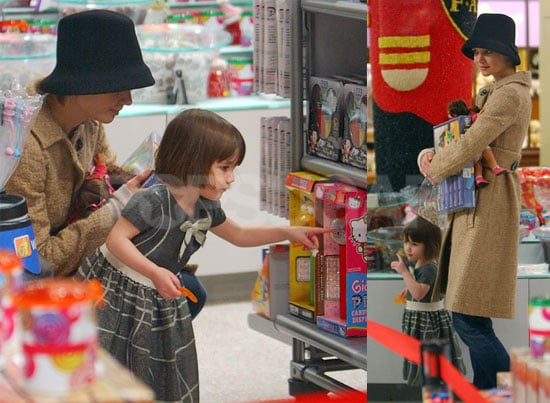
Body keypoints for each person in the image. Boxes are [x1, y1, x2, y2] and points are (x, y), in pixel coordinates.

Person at [77, 108, 330, 402]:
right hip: (118, 292)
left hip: (157, 294)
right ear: (193, 161)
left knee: (158, 366)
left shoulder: (205, 206)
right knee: (113, 363)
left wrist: (288, 233)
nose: (232, 178)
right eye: (224, 168)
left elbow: (239, 235)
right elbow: (117, 240)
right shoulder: (154, 198)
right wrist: (155, 272)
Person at [417, 13, 532, 389]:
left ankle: (506, 385)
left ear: (507, 54)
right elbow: (463, 138)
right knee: (472, 310)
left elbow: (470, 142)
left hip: (491, 199)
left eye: (489, 52)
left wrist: (435, 169)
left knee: (467, 311)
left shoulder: (510, 94)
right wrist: (431, 155)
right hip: (479, 198)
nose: (480, 59)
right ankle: (487, 389)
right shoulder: (499, 91)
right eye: (477, 52)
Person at [5, 10, 155, 277]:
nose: (128, 99)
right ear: (81, 83)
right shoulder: (25, 145)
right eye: (118, 86)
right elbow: (40, 261)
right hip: (38, 282)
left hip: (79, 254)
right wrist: (113, 211)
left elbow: (108, 172)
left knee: (183, 284)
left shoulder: (89, 121)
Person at [390, 217, 465, 387]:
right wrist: (408, 288)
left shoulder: (429, 268)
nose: (408, 248)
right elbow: (420, 290)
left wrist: (404, 273)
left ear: (429, 246)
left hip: (426, 320)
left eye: (415, 244)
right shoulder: (422, 263)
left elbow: (418, 293)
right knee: (425, 359)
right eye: (406, 242)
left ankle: (434, 392)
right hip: (422, 317)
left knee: (429, 361)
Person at [447, 99, 506, 188]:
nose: (450, 116)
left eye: (451, 113)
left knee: (478, 160)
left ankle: (481, 176)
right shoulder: (454, 124)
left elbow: (474, 118)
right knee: (482, 154)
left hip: (471, 146)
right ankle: (493, 168)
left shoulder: (466, 119)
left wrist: (478, 116)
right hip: (466, 148)